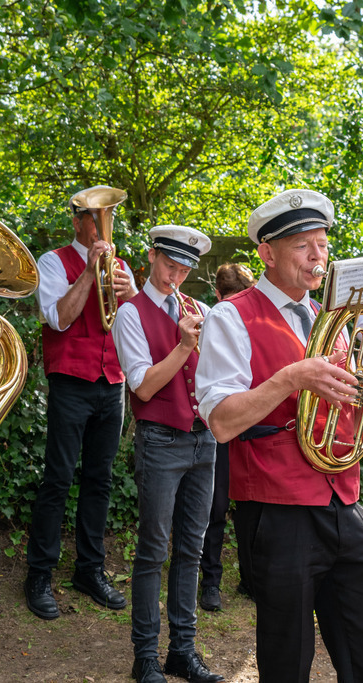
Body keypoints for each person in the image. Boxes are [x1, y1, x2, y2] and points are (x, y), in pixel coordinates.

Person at [195, 189, 363, 682]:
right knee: (287, 658)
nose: (317, 257)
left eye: (323, 245)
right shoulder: (231, 316)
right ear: (267, 253)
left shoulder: (334, 318)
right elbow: (220, 421)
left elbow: (342, 401)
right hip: (277, 508)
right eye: (303, 246)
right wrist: (289, 378)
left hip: (343, 498)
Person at [114, 225, 222, 683]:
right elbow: (142, 386)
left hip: (203, 440)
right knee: (153, 550)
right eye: (168, 265)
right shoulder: (129, 314)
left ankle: (182, 651)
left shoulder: (200, 309)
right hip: (160, 440)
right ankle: (144, 656)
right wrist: (184, 346)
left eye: (183, 270)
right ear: (152, 257)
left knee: (192, 550)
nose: (174, 277)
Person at [25, 185, 138, 620]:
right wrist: (89, 273)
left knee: (100, 480)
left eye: (107, 218)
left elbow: (135, 327)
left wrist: (133, 296)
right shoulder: (53, 261)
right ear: (77, 222)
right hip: (72, 382)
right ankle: (39, 573)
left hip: (113, 382)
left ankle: (89, 569)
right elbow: (59, 318)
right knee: (58, 478)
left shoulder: (121, 266)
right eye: (94, 219)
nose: (102, 227)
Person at [198, 263, 257, 612]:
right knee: (216, 506)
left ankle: (249, 577)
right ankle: (211, 581)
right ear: (218, 297)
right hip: (223, 424)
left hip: (253, 422)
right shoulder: (215, 321)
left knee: (251, 506)